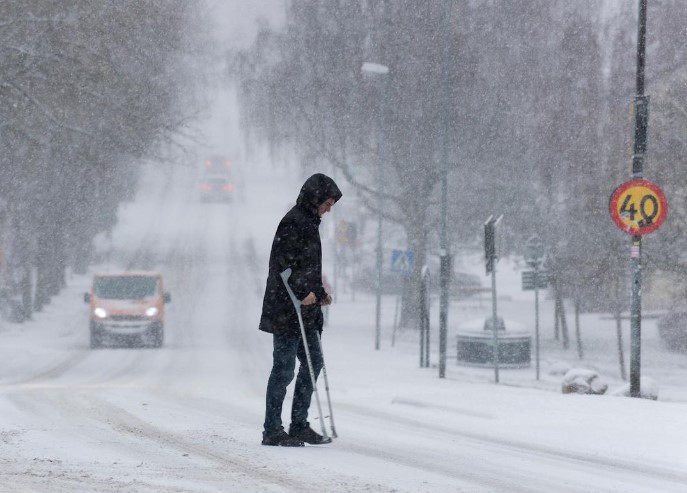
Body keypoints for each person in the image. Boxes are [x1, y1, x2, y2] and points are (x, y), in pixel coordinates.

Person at [259, 173, 342, 447]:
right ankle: (272, 429)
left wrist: (319, 294)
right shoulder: (293, 223)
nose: (329, 209)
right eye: (328, 203)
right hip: (286, 310)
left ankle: (299, 424)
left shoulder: (309, 223)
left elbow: (307, 269)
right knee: (283, 369)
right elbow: (283, 266)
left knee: (313, 362)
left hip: (305, 312)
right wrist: (300, 293)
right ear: (316, 198)